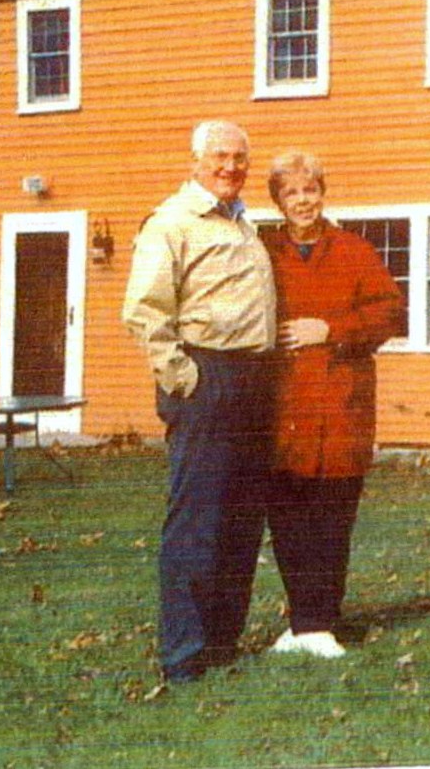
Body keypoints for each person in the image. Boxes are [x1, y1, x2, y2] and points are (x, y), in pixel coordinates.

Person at [122, 120, 277, 684]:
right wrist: (182, 376)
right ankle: (183, 655)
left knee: (240, 518)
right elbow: (144, 308)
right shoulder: (172, 222)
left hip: (256, 380)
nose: (231, 167)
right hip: (208, 377)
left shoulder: (244, 225)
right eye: (220, 157)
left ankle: (221, 643)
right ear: (195, 161)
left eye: (240, 158)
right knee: (197, 519)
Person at [262, 151, 403, 659]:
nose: (303, 201)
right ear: (277, 201)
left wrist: (331, 330)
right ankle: (303, 622)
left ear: (323, 192)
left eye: (310, 190)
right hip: (282, 408)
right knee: (287, 518)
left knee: (330, 517)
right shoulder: (263, 252)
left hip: (340, 405)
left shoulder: (353, 250)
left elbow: (390, 313)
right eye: (291, 193)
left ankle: (322, 620)